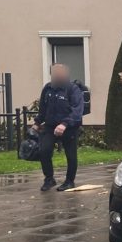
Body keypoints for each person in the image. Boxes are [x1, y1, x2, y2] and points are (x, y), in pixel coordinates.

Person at [33, 64, 84, 192]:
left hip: (69, 127)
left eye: (60, 74)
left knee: (71, 155)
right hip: (50, 126)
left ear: (66, 75)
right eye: (55, 74)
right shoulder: (48, 88)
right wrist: (37, 122)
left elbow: (77, 111)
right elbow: (43, 108)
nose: (57, 76)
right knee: (44, 151)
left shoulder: (73, 89)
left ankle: (69, 181)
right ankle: (49, 179)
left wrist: (64, 124)